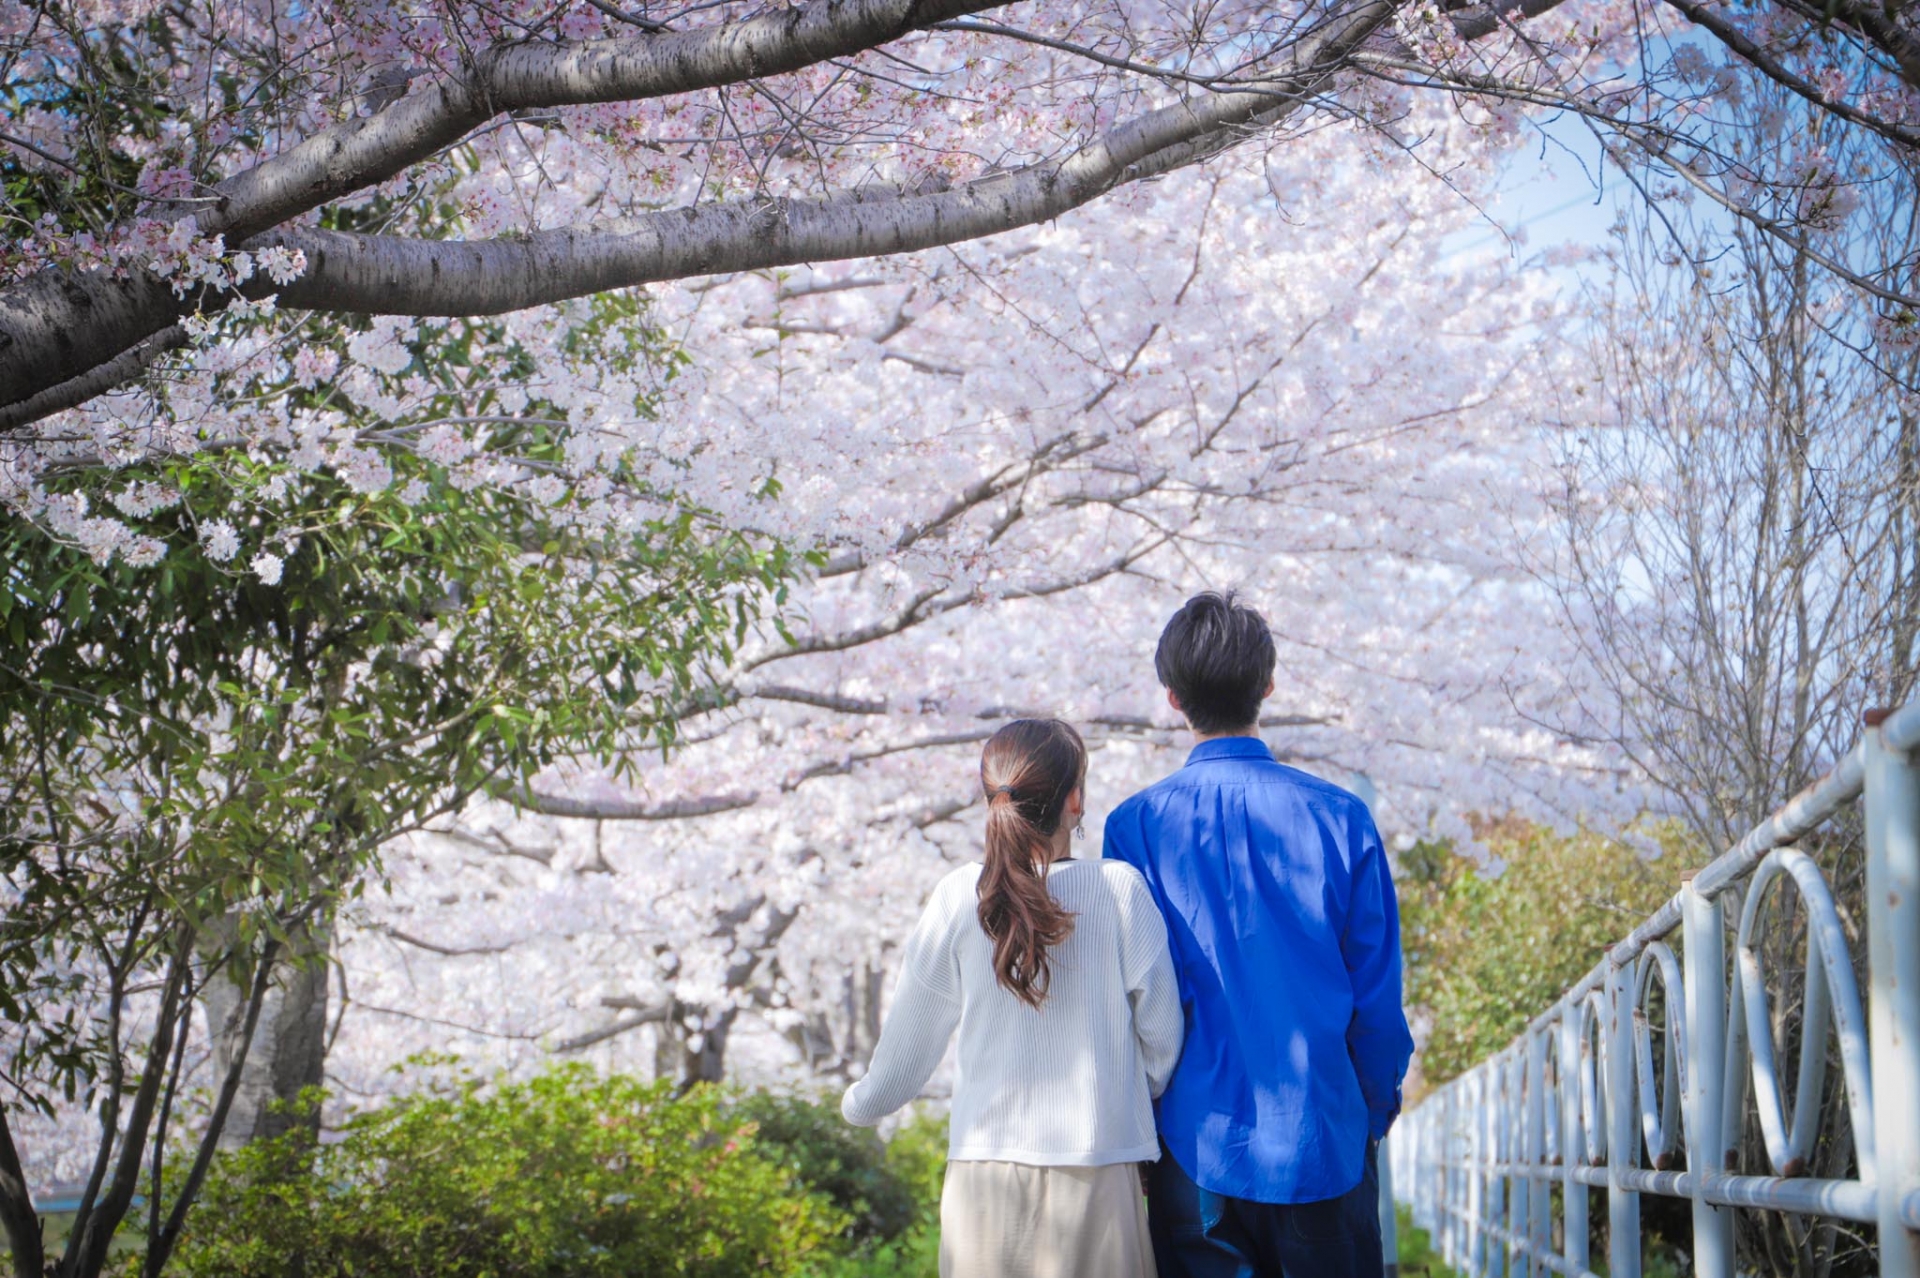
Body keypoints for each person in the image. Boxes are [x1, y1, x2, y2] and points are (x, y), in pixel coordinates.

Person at [1104, 591, 1415, 1278]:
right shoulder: (1344, 819)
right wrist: (1369, 1114)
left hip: (1194, 1146)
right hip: (1323, 1136)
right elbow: (1379, 1002)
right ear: (1268, 687)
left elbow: (1129, 1002)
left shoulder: (1133, 830)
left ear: (1172, 697)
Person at [842, 718, 1184, 1278]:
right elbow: (1163, 1046)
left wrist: (858, 1104)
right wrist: (1124, 1090)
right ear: (1076, 800)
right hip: (1098, 1166)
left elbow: (907, 1052)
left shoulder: (958, 896)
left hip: (984, 1179)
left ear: (990, 800)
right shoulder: (1120, 891)